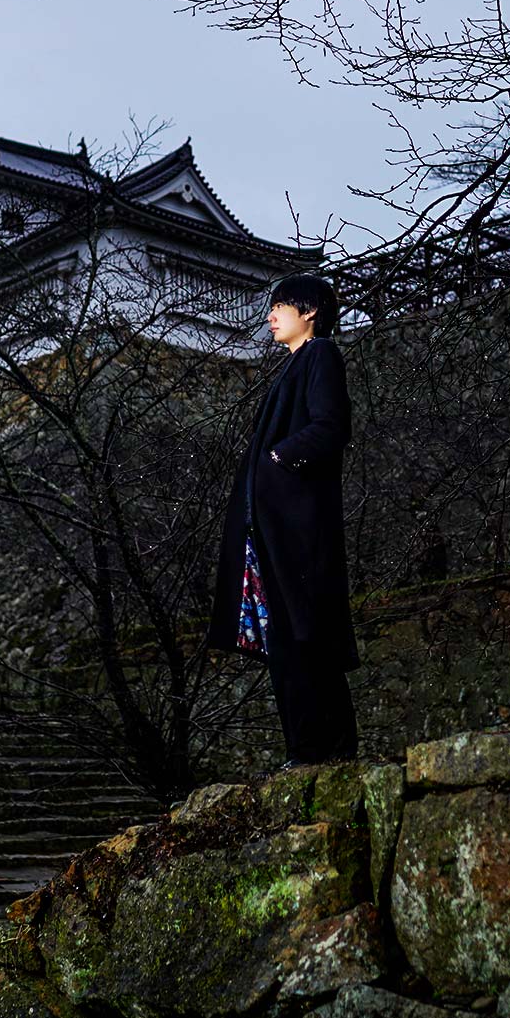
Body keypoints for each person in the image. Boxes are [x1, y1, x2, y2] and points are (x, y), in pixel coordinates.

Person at [206, 273, 360, 769]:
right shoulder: (293, 366)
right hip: (273, 527)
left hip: (297, 527)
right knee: (286, 639)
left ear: (309, 310)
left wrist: (278, 459)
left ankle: (325, 749)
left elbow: (331, 426)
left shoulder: (320, 355)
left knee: (304, 633)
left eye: (280, 306)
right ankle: (309, 751)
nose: (270, 315)